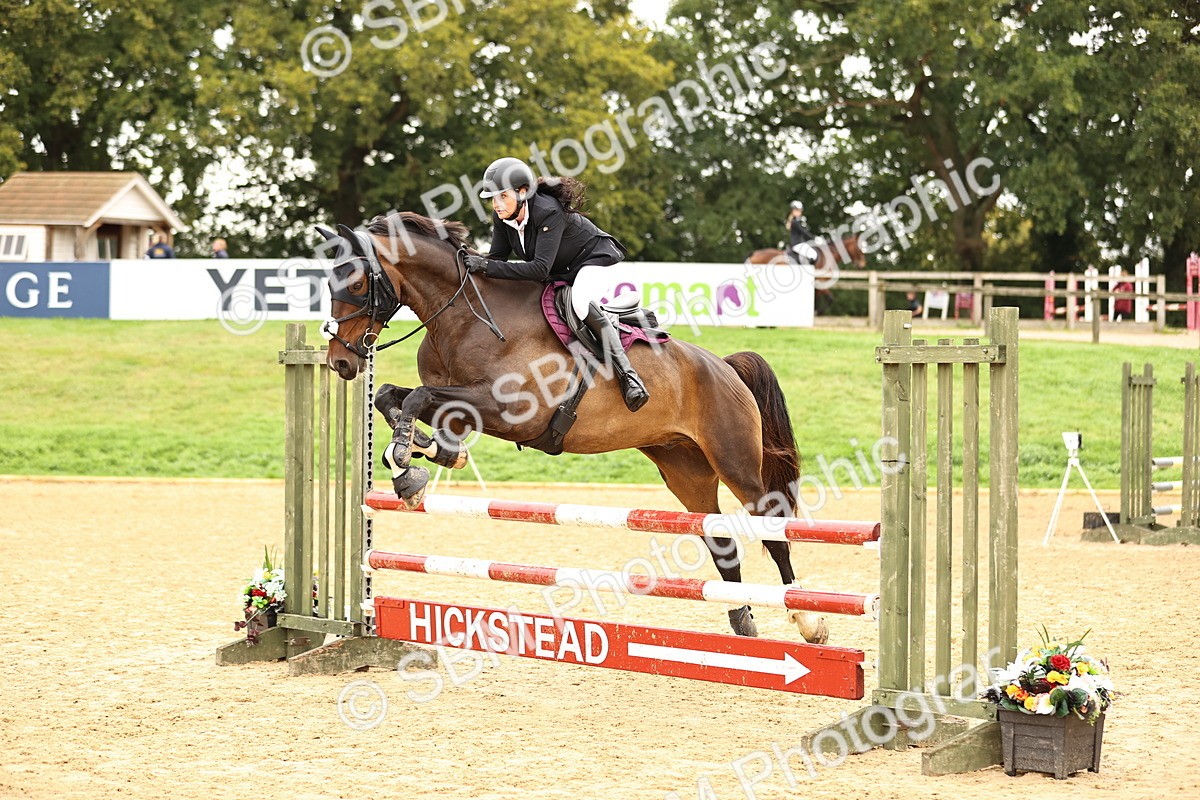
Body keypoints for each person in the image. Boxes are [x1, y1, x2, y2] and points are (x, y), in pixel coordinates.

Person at [463, 157, 648, 412]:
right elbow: (496, 261)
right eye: (492, 198)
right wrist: (469, 262)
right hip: (562, 270)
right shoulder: (503, 218)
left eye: (502, 196)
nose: (496, 204)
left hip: (594, 260)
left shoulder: (548, 211)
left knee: (580, 304)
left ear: (523, 192)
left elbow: (539, 268)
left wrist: (484, 266)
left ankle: (629, 376)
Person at [786, 201, 816, 265]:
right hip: (798, 244)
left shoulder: (797, 221)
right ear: (793, 211)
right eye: (798, 210)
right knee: (814, 255)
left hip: (800, 244)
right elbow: (803, 232)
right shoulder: (795, 222)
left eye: (800, 210)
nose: (800, 212)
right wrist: (814, 238)